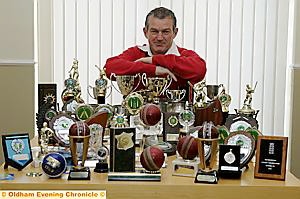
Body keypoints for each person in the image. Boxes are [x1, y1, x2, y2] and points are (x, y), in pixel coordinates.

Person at [104, 7, 206, 97]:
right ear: (145, 32)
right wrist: (153, 69)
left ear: (175, 33)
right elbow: (109, 68)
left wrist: (153, 59)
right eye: (154, 31)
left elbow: (200, 70)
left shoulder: (184, 55)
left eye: (165, 32)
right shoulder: (136, 53)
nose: (160, 37)